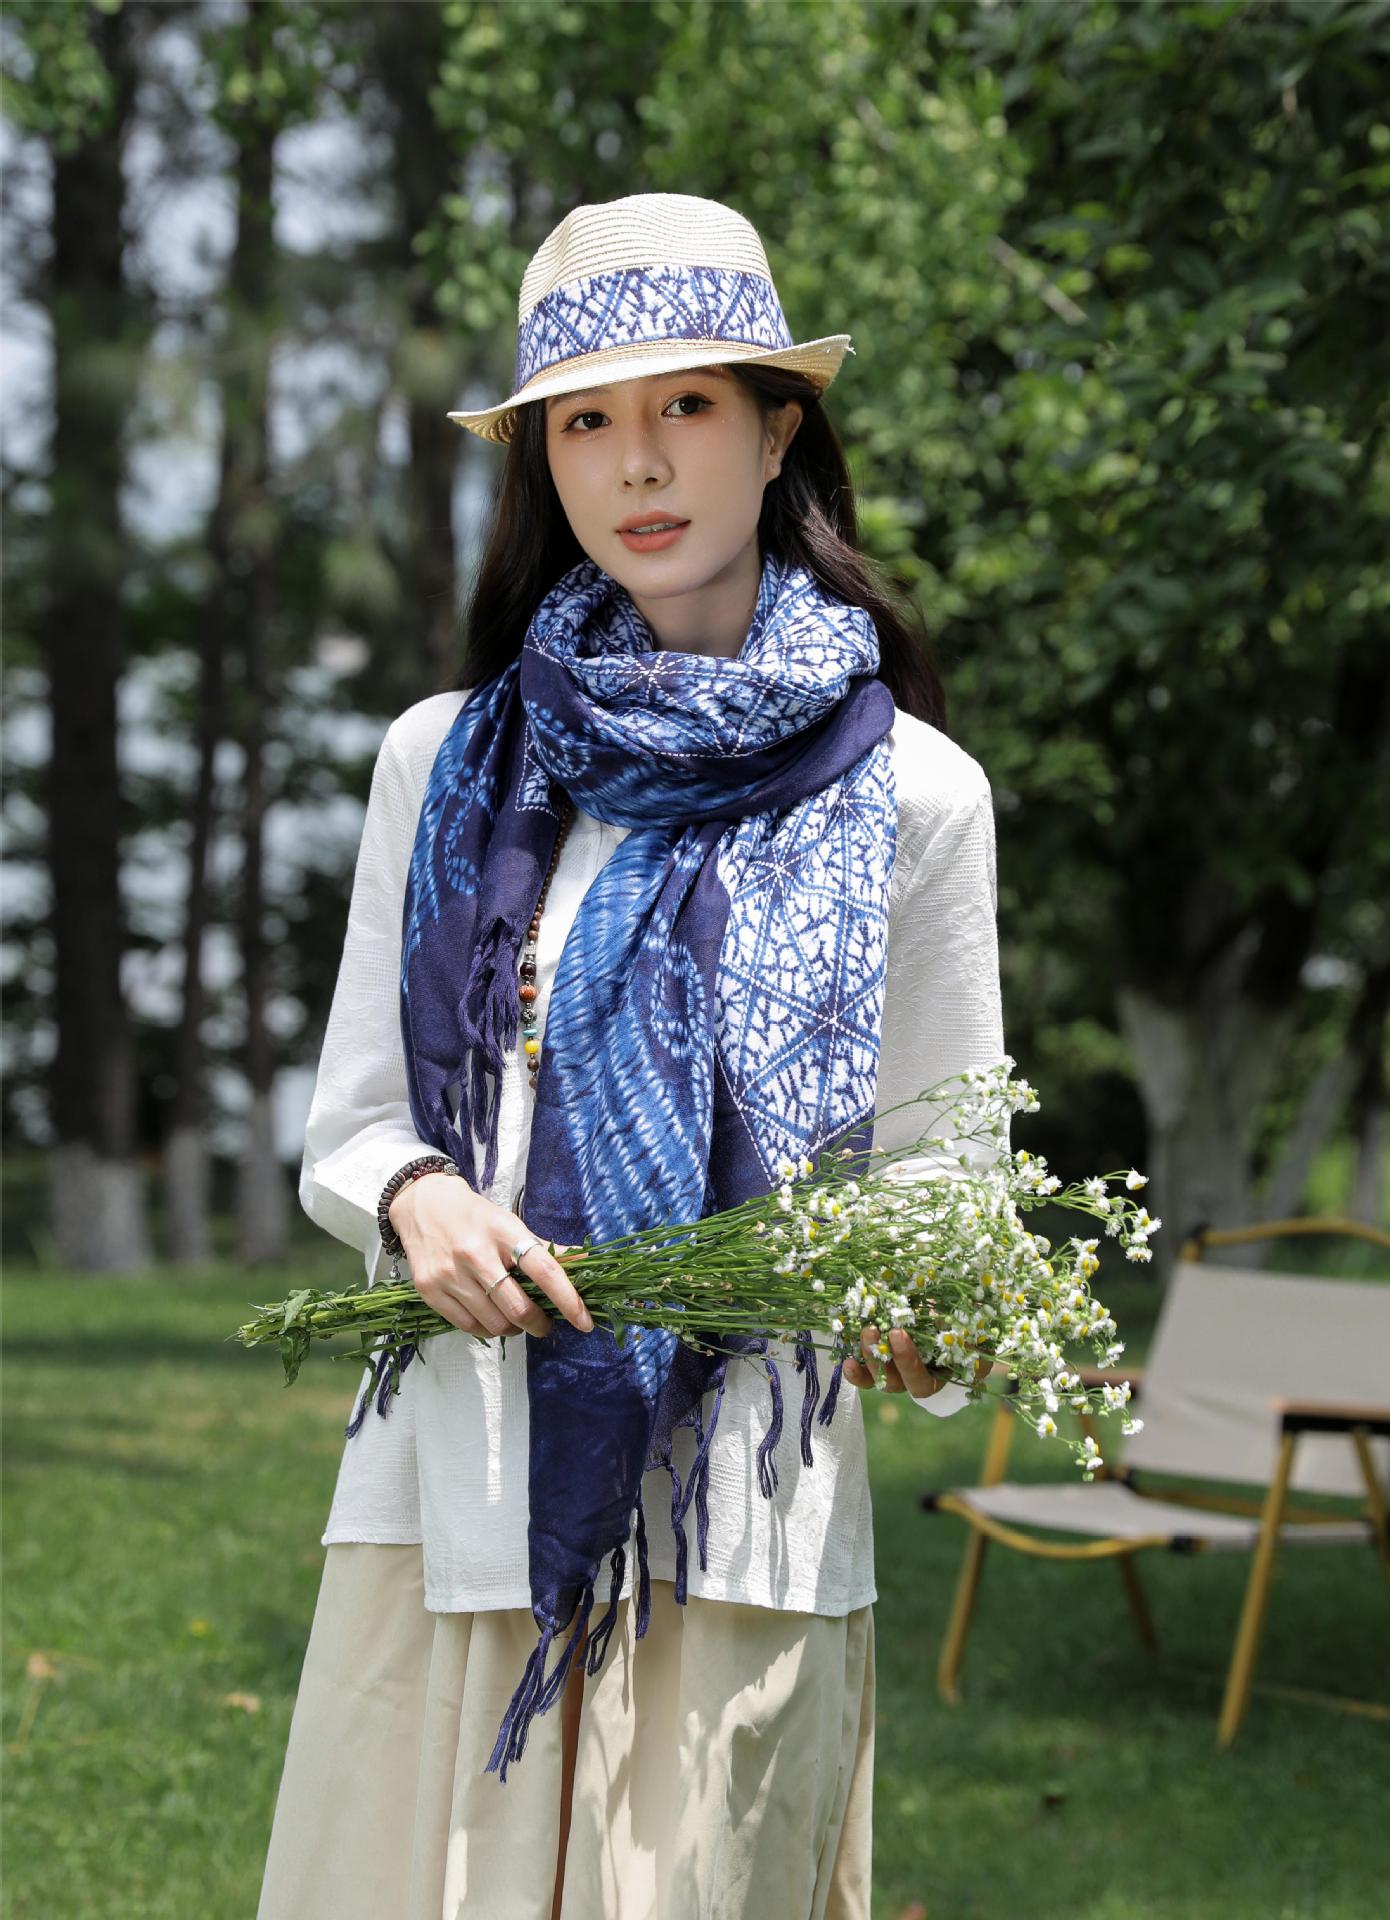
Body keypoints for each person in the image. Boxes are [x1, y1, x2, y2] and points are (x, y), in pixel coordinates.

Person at [257, 192, 1007, 1920]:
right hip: (453, 1479)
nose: (638, 462)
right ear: (543, 463)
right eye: (584, 422)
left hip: (738, 1512)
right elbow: (357, 1121)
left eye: (684, 405)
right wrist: (421, 1201)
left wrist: (930, 1323)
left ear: (775, 432)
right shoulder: (441, 758)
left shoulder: (914, 797)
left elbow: (946, 1177)